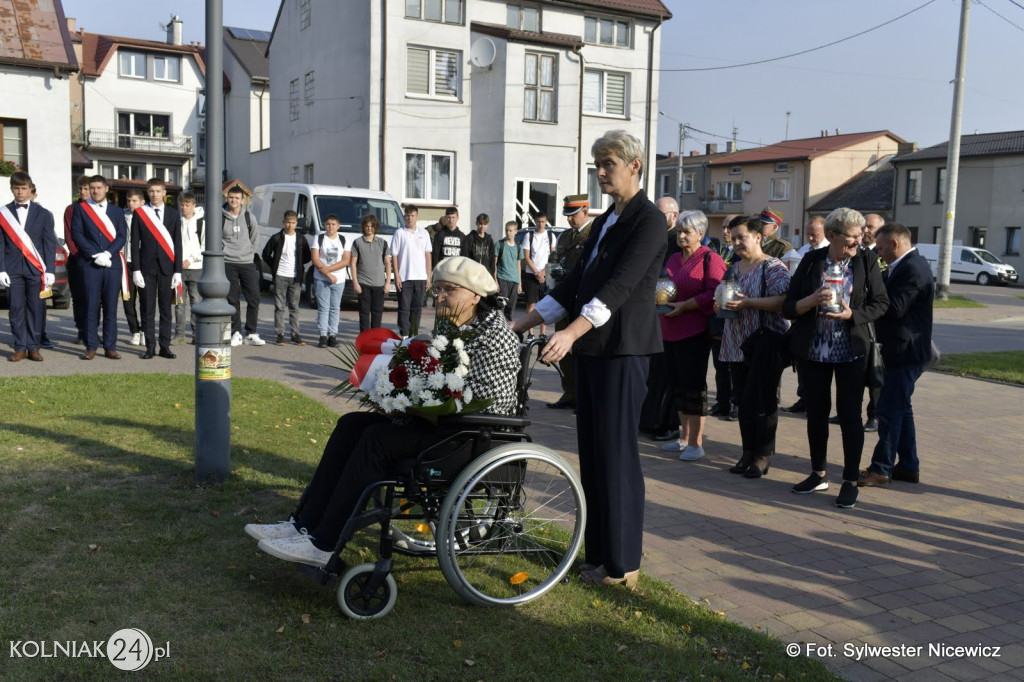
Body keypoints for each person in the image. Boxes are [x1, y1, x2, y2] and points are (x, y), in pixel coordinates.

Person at [245, 257, 520, 567]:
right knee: (351, 424)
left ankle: (324, 543)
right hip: (441, 426)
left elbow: (486, 400)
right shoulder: (457, 327)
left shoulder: (496, 336)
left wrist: (423, 409)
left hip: (468, 436)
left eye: (449, 290)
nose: (439, 297)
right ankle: (303, 524)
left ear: (474, 294)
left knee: (377, 439)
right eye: (438, 290)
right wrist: (399, 397)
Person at [513, 130, 665, 589]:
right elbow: (574, 286)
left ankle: (625, 564)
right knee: (595, 456)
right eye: (598, 164)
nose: (600, 172)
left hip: (624, 350)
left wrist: (572, 332)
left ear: (634, 165)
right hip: (595, 351)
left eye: (609, 164)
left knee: (617, 455)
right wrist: (520, 324)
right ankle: (600, 556)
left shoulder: (650, 220)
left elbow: (618, 288)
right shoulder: (603, 222)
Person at [783, 207, 889, 509]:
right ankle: (818, 473)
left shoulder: (866, 260)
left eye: (860, 236)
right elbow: (789, 306)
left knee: (849, 415)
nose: (858, 242)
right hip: (814, 349)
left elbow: (881, 303)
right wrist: (810, 300)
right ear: (831, 236)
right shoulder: (812, 260)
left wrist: (852, 314)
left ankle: (850, 480)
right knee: (816, 413)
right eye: (852, 237)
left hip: (851, 350)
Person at [858, 223, 933, 487]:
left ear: (895, 244)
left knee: (888, 410)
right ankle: (909, 466)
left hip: (907, 351)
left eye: (880, 248)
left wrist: (869, 295)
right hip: (900, 349)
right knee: (902, 408)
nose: (879, 254)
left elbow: (896, 307)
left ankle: (881, 468)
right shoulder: (904, 266)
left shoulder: (913, 268)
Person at [716, 217, 791, 477]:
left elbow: (783, 301)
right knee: (743, 401)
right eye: (733, 237)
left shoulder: (773, 266)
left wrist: (749, 303)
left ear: (758, 237)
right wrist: (719, 304)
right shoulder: (734, 268)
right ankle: (748, 451)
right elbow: (721, 297)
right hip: (736, 343)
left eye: (741, 237)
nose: (735, 242)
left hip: (764, 344)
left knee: (763, 400)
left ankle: (763, 454)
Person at [659, 210, 726, 460]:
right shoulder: (674, 258)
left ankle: (696, 443)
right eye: (679, 231)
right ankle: (684, 437)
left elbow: (716, 293)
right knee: (676, 385)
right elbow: (664, 285)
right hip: (669, 327)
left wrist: (686, 306)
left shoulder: (710, 258)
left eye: (686, 231)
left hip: (695, 331)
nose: (681, 235)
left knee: (693, 385)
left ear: (701, 233)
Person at [70, 174, 128, 360]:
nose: (95, 191)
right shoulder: (81, 209)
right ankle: (91, 346)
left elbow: (121, 236)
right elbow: (77, 234)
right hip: (90, 264)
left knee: (111, 308)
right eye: (92, 188)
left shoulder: (117, 211)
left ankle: (110, 347)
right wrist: (94, 254)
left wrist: (107, 253)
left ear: (106, 189)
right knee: (90, 307)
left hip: (112, 265)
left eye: (98, 187)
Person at [1, 171, 55, 362]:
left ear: (30, 189)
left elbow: (49, 243)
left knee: (36, 309)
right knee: (15, 309)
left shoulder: (44, 214)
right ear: (11, 189)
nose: (20, 192)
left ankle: (34, 347)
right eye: (17, 188)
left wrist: (50, 270)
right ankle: (19, 347)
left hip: (36, 269)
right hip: (13, 269)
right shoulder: (3, 213)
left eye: (24, 188)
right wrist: (1, 269)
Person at [546, 194, 592, 410]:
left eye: (573, 216)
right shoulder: (564, 237)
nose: (569, 220)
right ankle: (569, 392)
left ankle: (583, 396)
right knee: (562, 348)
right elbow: (555, 261)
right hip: (563, 297)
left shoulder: (594, 233)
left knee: (581, 349)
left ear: (585, 211)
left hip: (584, 300)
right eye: (567, 216)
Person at [131, 178, 182, 360]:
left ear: (164, 193)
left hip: (167, 268)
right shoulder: (140, 213)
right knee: (147, 309)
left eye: (158, 191)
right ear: (147, 193)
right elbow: (134, 243)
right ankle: (150, 347)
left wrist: (178, 271)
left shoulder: (173, 214)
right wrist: (136, 270)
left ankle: (165, 347)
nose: (154, 194)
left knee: (166, 310)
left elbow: (178, 244)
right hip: (146, 268)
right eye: (151, 191)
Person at [222, 185, 265, 347]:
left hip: (247, 263)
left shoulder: (249, 217)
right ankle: (236, 333)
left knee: (254, 298)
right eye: (231, 197)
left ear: (242, 200)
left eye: (237, 198)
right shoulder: (221, 217)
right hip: (228, 263)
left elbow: (255, 239)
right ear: (227, 198)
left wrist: (248, 254)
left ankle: (251, 333)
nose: (234, 200)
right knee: (233, 300)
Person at [262, 209, 311, 345]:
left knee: (294, 307)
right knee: (279, 306)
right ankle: (280, 334)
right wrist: (274, 266)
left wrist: (299, 266)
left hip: (295, 277)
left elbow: (307, 256)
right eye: (288, 222)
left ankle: (295, 334)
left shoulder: (301, 239)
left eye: (293, 222)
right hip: (280, 276)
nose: (290, 225)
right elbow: (266, 254)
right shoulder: (276, 238)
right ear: (283, 223)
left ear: (296, 223)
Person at [392, 204, 432, 336]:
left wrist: (428, 276)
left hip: (420, 277)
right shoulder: (399, 233)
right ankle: (404, 334)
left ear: (417, 217)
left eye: (412, 215)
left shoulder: (424, 233)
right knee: (404, 308)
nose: (409, 218)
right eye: (407, 216)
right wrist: (397, 276)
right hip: (404, 277)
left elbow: (427, 255)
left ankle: (413, 334)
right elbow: (395, 256)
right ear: (404, 217)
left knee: (417, 308)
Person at [311, 213, 350, 348]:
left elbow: (346, 260)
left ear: (338, 226)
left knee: (335, 308)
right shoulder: (319, 238)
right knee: (323, 307)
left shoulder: (344, 240)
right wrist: (328, 275)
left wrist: (330, 271)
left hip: (338, 280)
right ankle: (323, 335)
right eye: (328, 224)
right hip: (321, 279)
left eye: (333, 224)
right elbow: (316, 259)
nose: (330, 227)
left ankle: (333, 335)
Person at [349, 212, 392, 332]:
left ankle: (375, 338)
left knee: (377, 314)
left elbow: (388, 263)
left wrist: (388, 282)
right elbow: (353, 264)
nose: (369, 228)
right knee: (364, 313)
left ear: (375, 227)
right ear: (363, 227)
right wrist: (355, 283)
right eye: (367, 226)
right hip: (363, 284)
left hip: (379, 284)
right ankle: (364, 339)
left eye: (372, 226)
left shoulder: (382, 243)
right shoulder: (357, 242)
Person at [63, 175, 91, 345]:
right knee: (79, 297)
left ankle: (92, 330)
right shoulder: (71, 209)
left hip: (95, 260)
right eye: (81, 188)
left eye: (87, 188)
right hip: (77, 259)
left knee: (95, 299)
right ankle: (81, 330)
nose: (83, 191)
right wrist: (77, 254)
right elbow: (68, 234)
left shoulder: (98, 209)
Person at [520, 209, 555, 337]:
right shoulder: (528, 236)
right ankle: (530, 333)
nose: (541, 224)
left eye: (543, 222)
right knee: (531, 304)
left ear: (546, 222)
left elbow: (553, 257)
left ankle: (543, 333)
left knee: (545, 305)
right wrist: (537, 272)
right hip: (531, 274)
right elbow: (526, 257)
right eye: (538, 221)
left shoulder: (551, 236)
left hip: (546, 275)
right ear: (535, 221)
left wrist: (543, 273)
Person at [176, 192, 203, 343]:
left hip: (196, 268)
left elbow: (204, 245)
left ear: (194, 206)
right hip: (179, 268)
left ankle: (196, 333)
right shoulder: (176, 221)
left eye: (187, 205)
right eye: (182, 204)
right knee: (179, 303)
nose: (184, 207)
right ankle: (179, 333)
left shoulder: (201, 222)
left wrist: (191, 259)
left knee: (196, 302)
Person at [122, 188, 146, 347]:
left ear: (142, 202)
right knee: (128, 299)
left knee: (145, 299)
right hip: (126, 262)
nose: (131, 203)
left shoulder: (148, 217)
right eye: (129, 201)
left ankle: (145, 330)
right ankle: (135, 331)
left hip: (143, 263)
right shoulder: (122, 216)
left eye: (134, 201)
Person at [494, 220, 523, 322]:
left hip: (514, 281)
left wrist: (519, 283)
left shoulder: (519, 247)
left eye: (510, 231)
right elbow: (494, 265)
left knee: (510, 308)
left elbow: (518, 265)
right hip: (502, 279)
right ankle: (498, 328)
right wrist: (496, 281)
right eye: (506, 230)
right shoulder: (499, 244)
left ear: (516, 231)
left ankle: (507, 330)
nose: (508, 233)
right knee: (501, 307)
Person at [466, 213, 496, 277]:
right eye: (480, 224)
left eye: (485, 224)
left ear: (487, 225)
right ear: (476, 223)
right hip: (472, 273)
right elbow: (465, 256)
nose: (482, 226)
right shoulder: (470, 238)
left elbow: (492, 259)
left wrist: (491, 274)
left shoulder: (489, 239)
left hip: (485, 274)